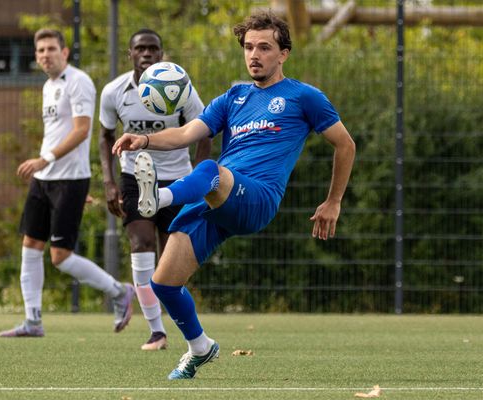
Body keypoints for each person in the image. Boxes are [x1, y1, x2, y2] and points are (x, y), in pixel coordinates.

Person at [113, 13, 355, 379]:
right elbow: (184, 134)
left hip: (256, 197)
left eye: (264, 47)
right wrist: (143, 139)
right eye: (248, 47)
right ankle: (200, 348)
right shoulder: (233, 97)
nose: (254, 55)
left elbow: (345, 144)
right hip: (215, 197)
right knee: (163, 283)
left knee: (208, 169)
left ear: (283, 53)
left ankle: (158, 199)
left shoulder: (304, 97)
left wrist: (333, 200)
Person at [0, 28, 135, 338]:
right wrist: (45, 167)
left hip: (69, 179)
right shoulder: (49, 86)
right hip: (45, 180)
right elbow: (57, 131)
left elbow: (81, 130)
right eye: (40, 50)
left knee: (60, 256)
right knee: (30, 246)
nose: (44, 55)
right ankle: (33, 321)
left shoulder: (79, 82)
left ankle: (119, 291)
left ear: (64, 52)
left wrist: (45, 160)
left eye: (50, 49)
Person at [99, 29, 212, 351]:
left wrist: (201, 179)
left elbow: (205, 133)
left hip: (178, 180)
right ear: (130, 54)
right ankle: (156, 331)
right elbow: (106, 136)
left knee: (170, 259)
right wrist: (108, 183)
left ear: (161, 54)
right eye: (140, 48)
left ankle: (185, 329)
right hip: (134, 177)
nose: (146, 53)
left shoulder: (182, 88)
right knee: (140, 242)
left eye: (152, 48)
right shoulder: (114, 92)